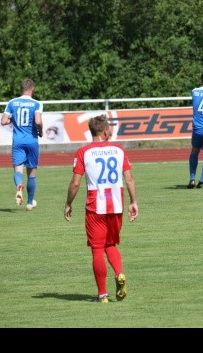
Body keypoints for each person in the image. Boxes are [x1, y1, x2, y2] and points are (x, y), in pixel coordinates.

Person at [64, 114, 139, 303]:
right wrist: (133, 201)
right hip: (116, 205)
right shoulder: (119, 149)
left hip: (95, 207)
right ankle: (119, 273)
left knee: (97, 250)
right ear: (105, 131)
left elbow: (75, 184)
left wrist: (68, 203)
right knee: (110, 245)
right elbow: (129, 178)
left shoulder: (84, 152)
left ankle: (103, 295)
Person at [1, 78, 43, 211]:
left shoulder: (12, 102)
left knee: (18, 170)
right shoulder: (37, 103)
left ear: (21, 89)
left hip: (18, 141)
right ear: (33, 89)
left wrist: (13, 119)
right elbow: (37, 120)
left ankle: (19, 185)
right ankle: (30, 203)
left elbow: (3, 121)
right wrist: (40, 131)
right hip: (32, 141)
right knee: (32, 173)